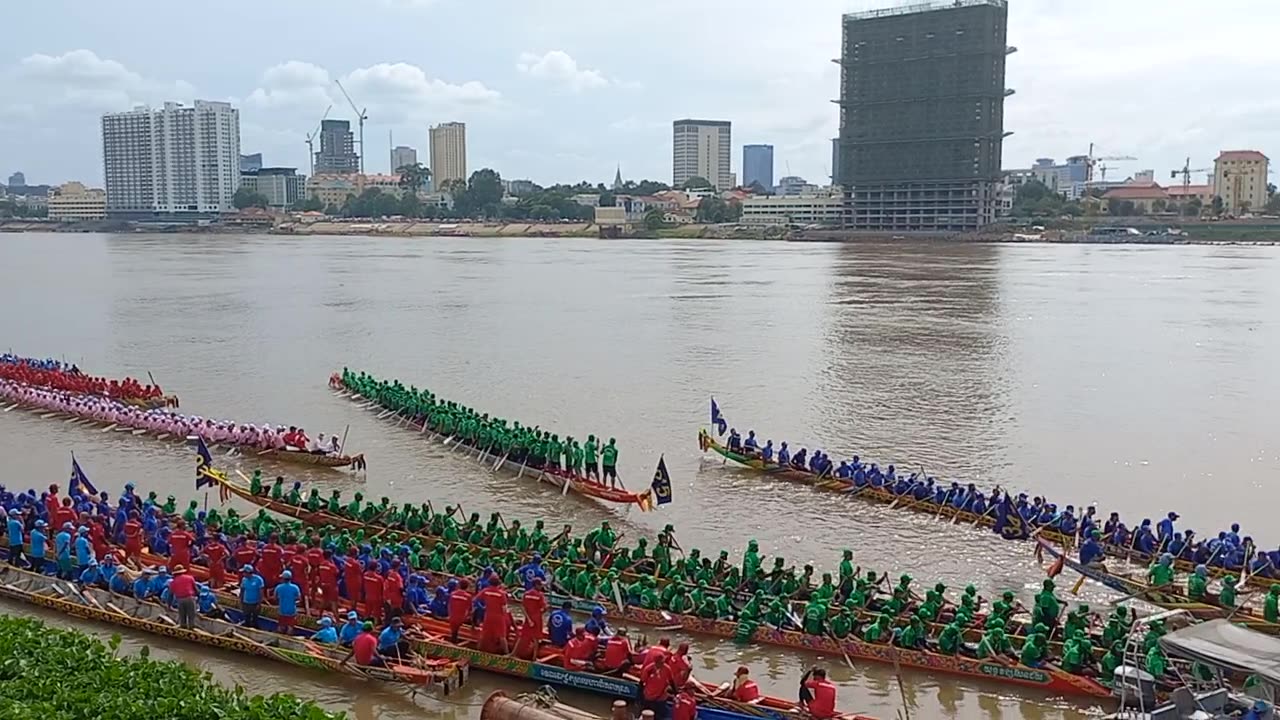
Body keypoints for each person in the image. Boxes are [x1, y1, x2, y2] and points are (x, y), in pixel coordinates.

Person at [639, 653, 677, 720]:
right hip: (649, 697)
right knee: (648, 715)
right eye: (661, 662)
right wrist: (641, 697)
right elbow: (641, 683)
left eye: (663, 661)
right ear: (656, 662)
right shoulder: (648, 669)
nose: (663, 663)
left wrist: (676, 693)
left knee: (660, 716)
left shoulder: (667, 668)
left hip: (661, 698)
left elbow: (671, 681)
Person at [238, 564, 265, 629]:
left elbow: (261, 592)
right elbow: (242, 590)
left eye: (244, 572)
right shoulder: (244, 580)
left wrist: (259, 603)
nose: (243, 574)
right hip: (246, 602)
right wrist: (241, 601)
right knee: (247, 617)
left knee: (255, 618)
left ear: (248, 573)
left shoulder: (258, 580)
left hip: (255, 603)